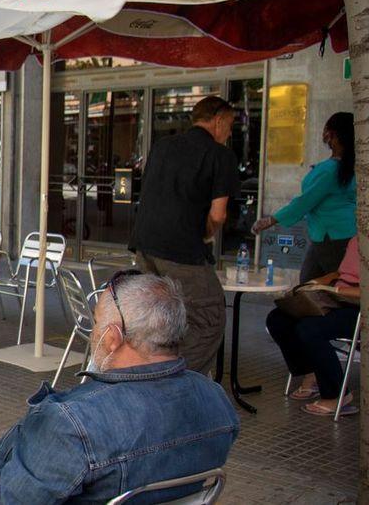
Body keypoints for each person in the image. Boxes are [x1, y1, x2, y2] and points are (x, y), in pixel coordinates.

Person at [0, 273, 239, 504]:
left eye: (95, 325)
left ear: (112, 337)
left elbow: (4, 499)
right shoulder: (215, 399)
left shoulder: (74, 422)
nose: (92, 335)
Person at [129, 96, 240, 373]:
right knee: (209, 317)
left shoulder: (162, 146)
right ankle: (173, 381)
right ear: (218, 120)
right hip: (181, 248)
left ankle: (148, 370)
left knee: (160, 316)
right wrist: (206, 232)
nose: (229, 132)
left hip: (144, 243)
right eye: (230, 124)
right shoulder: (219, 155)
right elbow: (218, 215)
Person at [253, 112, 356, 282]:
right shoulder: (349, 167)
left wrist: (270, 220)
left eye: (326, 130)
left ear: (333, 135)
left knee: (325, 287)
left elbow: (304, 202)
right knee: (311, 285)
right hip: (337, 234)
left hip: (330, 237)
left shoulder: (329, 170)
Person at [265, 238, 361, 416]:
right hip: (336, 300)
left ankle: (337, 394)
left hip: (359, 308)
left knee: (309, 328)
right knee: (278, 319)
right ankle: (312, 372)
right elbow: (340, 274)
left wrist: (337, 291)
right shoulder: (357, 240)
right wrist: (315, 284)